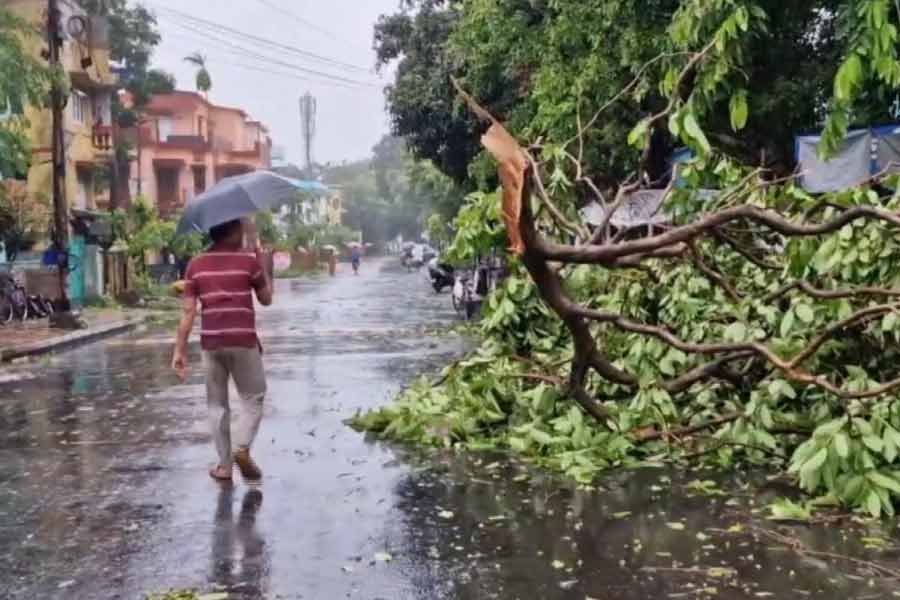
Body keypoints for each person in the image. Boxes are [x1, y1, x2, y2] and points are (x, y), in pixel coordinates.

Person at [172, 219, 274, 483]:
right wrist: (263, 262)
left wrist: (179, 351)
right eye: (240, 228)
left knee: (217, 405)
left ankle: (225, 467)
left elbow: (188, 312)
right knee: (254, 397)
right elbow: (266, 299)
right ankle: (242, 447)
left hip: (211, 343)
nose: (244, 232)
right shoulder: (248, 263)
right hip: (243, 341)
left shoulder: (195, 265)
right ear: (231, 232)